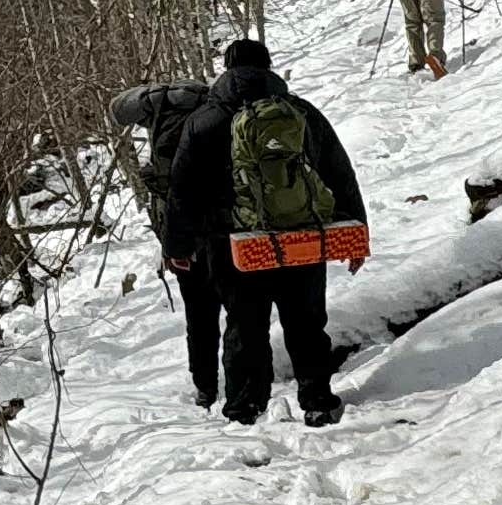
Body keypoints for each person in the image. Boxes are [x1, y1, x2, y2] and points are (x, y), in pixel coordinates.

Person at [166, 36, 368, 426]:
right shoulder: (301, 113)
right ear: (269, 67)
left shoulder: (204, 120)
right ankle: (318, 401)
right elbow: (340, 173)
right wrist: (357, 232)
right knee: (307, 322)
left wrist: (180, 244)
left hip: (234, 245)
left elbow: (183, 188)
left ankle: (245, 409)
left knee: (245, 325)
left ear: (225, 70)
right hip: (301, 238)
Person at [108, 75, 223, 405]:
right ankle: (246, 378)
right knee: (239, 310)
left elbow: (116, 110)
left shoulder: (156, 109)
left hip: (178, 233)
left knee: (199, 315)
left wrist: (151, 96)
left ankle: (205, 386)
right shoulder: (216, 108)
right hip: (220, 229)